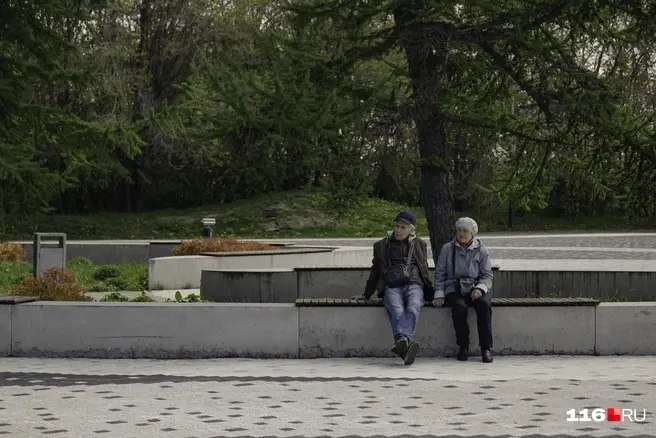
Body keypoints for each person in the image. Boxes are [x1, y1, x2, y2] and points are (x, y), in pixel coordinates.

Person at [355, 211, 433, 365]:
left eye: (403, 227)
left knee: (414, 306)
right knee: (396, 309)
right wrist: (366, 294)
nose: (398, 230)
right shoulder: (381, 245)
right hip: (391, 285)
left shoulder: (419, 244)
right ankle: (405, 343)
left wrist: (431, 290)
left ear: (411, 230)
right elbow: (375, 271)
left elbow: (423, 268)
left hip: (414, 284)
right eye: (397, 226)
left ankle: (402, 341)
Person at [432, 217, 494, 363]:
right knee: (459, 307)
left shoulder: (482, 250)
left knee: (484, 305)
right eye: (459, 230)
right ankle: (463, 346)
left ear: (472, 233)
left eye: (465, 231)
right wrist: (439, 294)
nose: (461, 234)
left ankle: (486, 348)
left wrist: (480, 289)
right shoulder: (447, 248)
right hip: (453, 288)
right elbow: (440, 274)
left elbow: (487, 275)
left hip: (474, 288)